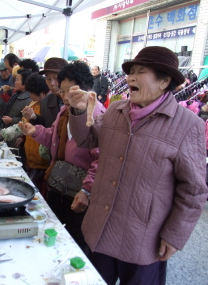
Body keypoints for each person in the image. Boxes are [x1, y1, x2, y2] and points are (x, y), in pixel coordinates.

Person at [67, 46, 208, 285]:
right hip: (101, 228)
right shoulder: (116, 111)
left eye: (140, 72)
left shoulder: (187, 125)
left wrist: (174, 236)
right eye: (130, 71)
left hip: (143, 239)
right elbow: (87, 139)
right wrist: (78, 111)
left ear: (164, 81)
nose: (130, 77)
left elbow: (194, 190)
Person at [18, 61, 105, 253]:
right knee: (57, 233)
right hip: (59, 186)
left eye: (70, 91)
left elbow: (102, 160)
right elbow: (54, 139)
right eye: (63, 91)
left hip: (79, 192)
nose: (65, 97)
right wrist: (35, 131)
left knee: (76, 240)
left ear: (85, 89)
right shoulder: (65, 112)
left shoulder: (98, 116)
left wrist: (87, 190)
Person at [22, 57, 68, 128]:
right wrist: (34, 117)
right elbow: (45, 125)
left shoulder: (78, 99)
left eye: (56, 78)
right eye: (48, 79)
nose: (52, 83)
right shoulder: (45, 102)